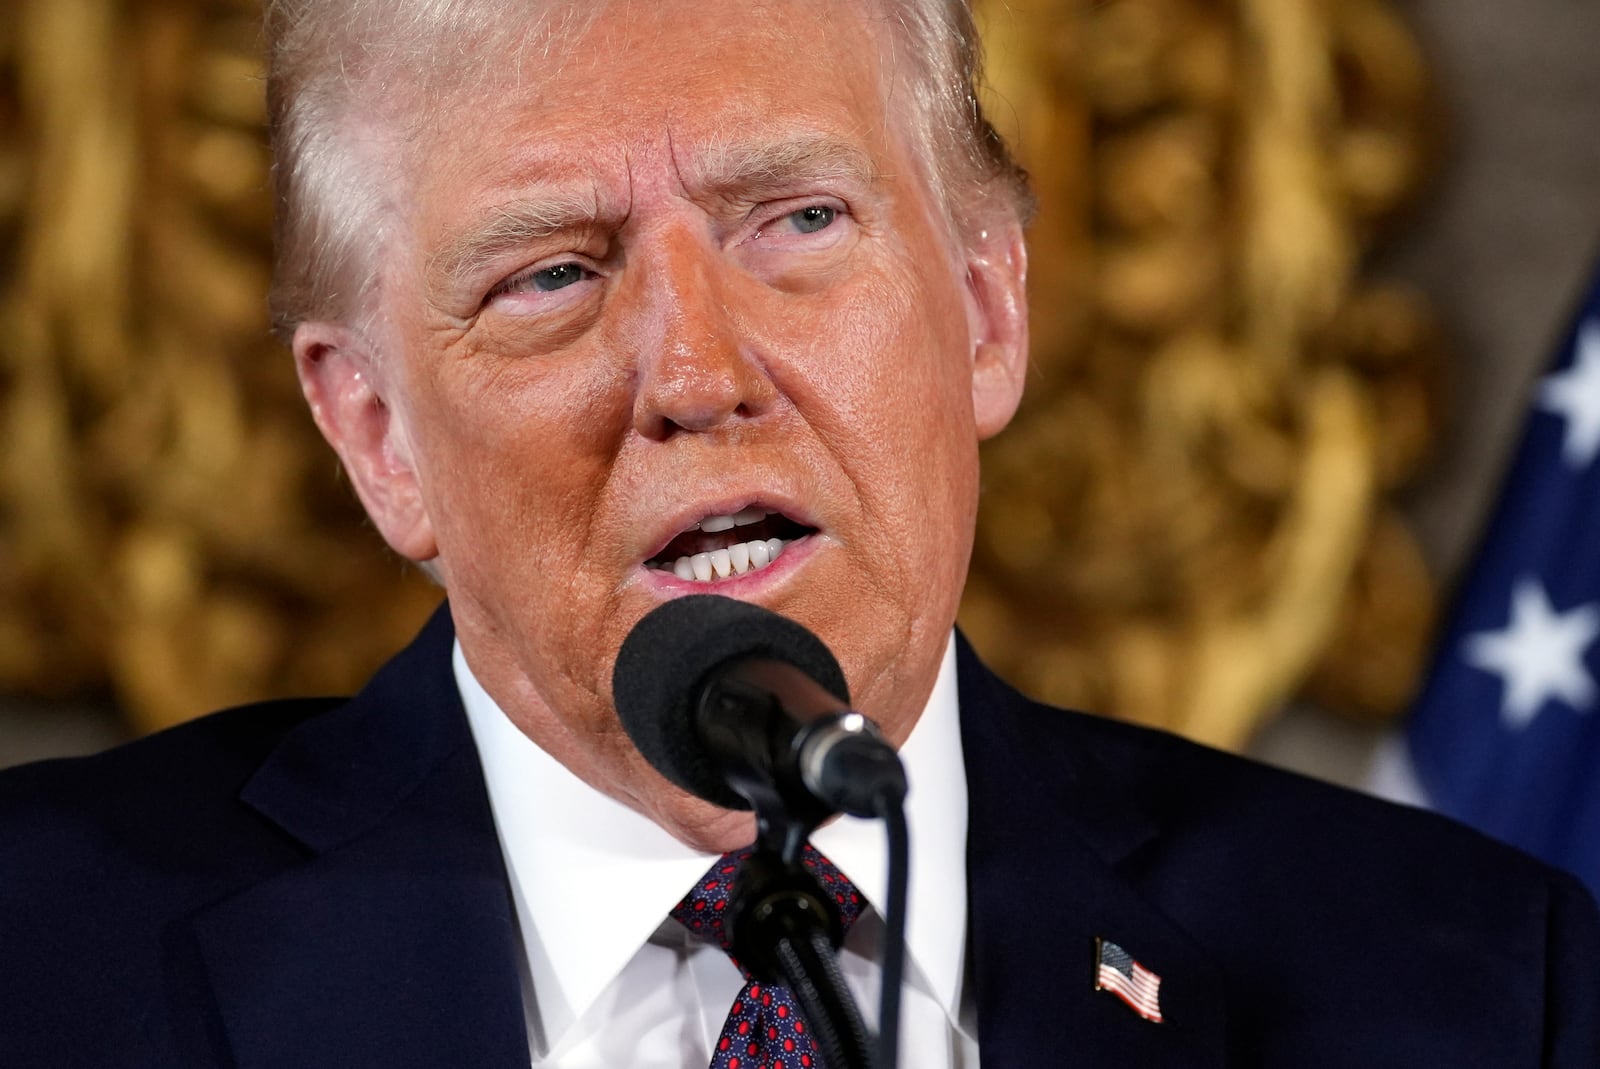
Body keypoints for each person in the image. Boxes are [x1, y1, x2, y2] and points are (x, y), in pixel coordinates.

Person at [1, 0, 1596, 1065]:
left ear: (984, 309)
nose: (696, 375)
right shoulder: (37, 960)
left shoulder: (1472, 984)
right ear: (377, 434)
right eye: (553, 273)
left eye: (800, 221)